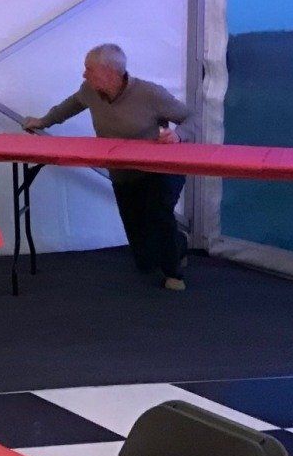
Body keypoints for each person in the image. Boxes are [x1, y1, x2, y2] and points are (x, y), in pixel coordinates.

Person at [23, 42, 192, 290]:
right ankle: (179, 243)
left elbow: (190, 116)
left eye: (88, 69)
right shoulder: (89, 90)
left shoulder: (150, 94)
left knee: (158, 214)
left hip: (161, 169)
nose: (84, 74)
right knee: (138, 239)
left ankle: (174, 272)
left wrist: (178, 136)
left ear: (111, 73)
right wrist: (44, 121)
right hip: (122, 170)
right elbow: (70, 106)